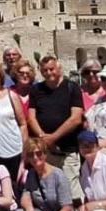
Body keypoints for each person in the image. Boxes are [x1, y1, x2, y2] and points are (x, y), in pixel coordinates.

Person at [27, 56, 85, 201]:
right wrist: (43, 138)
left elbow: (76, 118)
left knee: (72, 191)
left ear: (59, 68)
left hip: (67, 151)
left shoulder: (72, 88)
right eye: (45, 70)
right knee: (50, 190)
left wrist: (53, 137)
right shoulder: (36, 90)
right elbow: (31, 117)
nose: (48, 73)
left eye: (51, 69)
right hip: (47, 152)